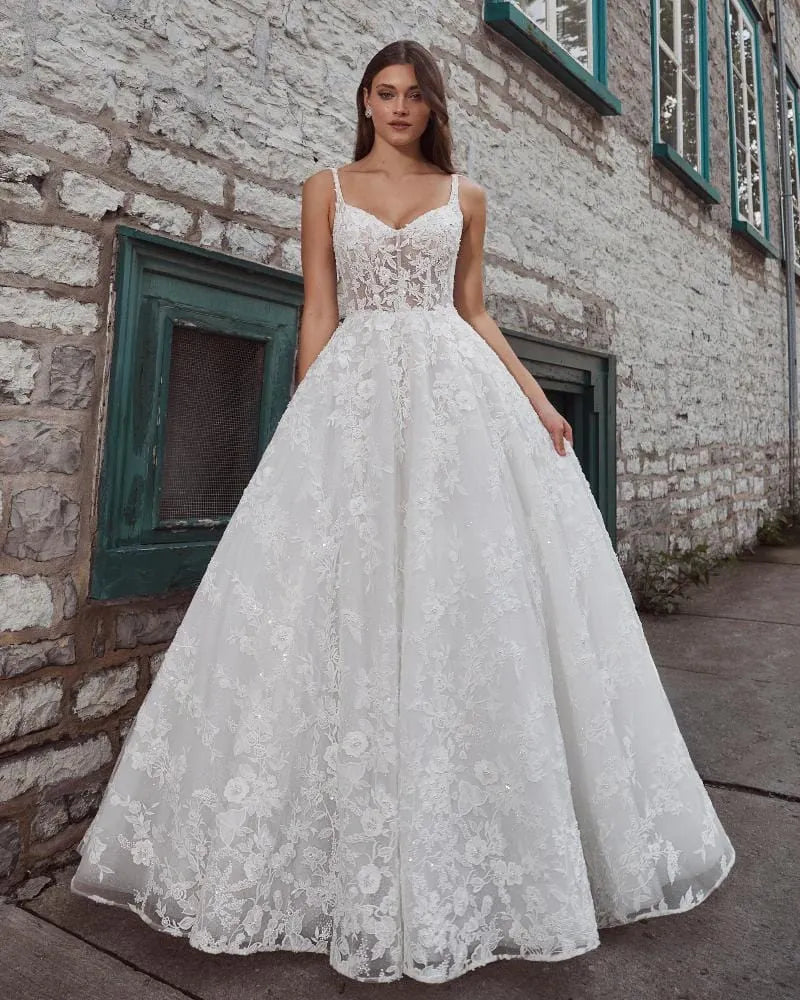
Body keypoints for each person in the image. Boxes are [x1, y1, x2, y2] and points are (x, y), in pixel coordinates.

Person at [70, 39, 735, 985]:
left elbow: (473, 308)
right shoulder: (324, 189)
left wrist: (541, 402)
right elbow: (316, 309)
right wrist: (308, 417)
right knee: (339, 596)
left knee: (462, 596)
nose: (397, 108)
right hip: (353, 395)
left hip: (456, 401)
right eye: (384, 94)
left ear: (432, 106)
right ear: (364, 101)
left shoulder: (465, 194)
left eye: (414, 96)